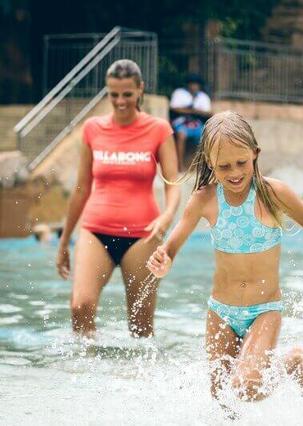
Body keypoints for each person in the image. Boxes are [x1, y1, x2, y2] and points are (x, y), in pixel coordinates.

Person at [146, 111, 303, 407]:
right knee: (221, 398)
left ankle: (292, 362)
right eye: (224, 166)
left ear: (255, 154)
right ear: (209, 163)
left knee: (246, 387)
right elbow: (171, 246)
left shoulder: (273, 194)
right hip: (220, 311)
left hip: (264, 310)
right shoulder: (204, 199)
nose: (234, 172)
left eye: (241, 162)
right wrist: (164, 260)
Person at [56, 59, 180, 338]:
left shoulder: (159, 130)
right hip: (95, 230)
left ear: (140, 90)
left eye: (127, 93)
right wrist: (64, 242)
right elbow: (81, 188)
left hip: (143, 236)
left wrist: (167, 215)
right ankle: (87, 375)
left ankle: (133, 380)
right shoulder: (92, 129)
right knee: (80, 306)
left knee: (140, 326)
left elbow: (172, 184)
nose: (120, 101)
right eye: (113, 94)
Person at [170, 74, 212, 171]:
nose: (194, 86)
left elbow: (208, 112)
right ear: (188, 84)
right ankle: (180, 166)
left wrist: (194, 111)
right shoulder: (179, 93)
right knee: (182, 135)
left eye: (196, 84)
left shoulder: (203, 97)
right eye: (192, 84)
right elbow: (174, 108)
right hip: (181, 122)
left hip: (197, 123)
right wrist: (191, 111)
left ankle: (203, 167)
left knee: (206, 136)